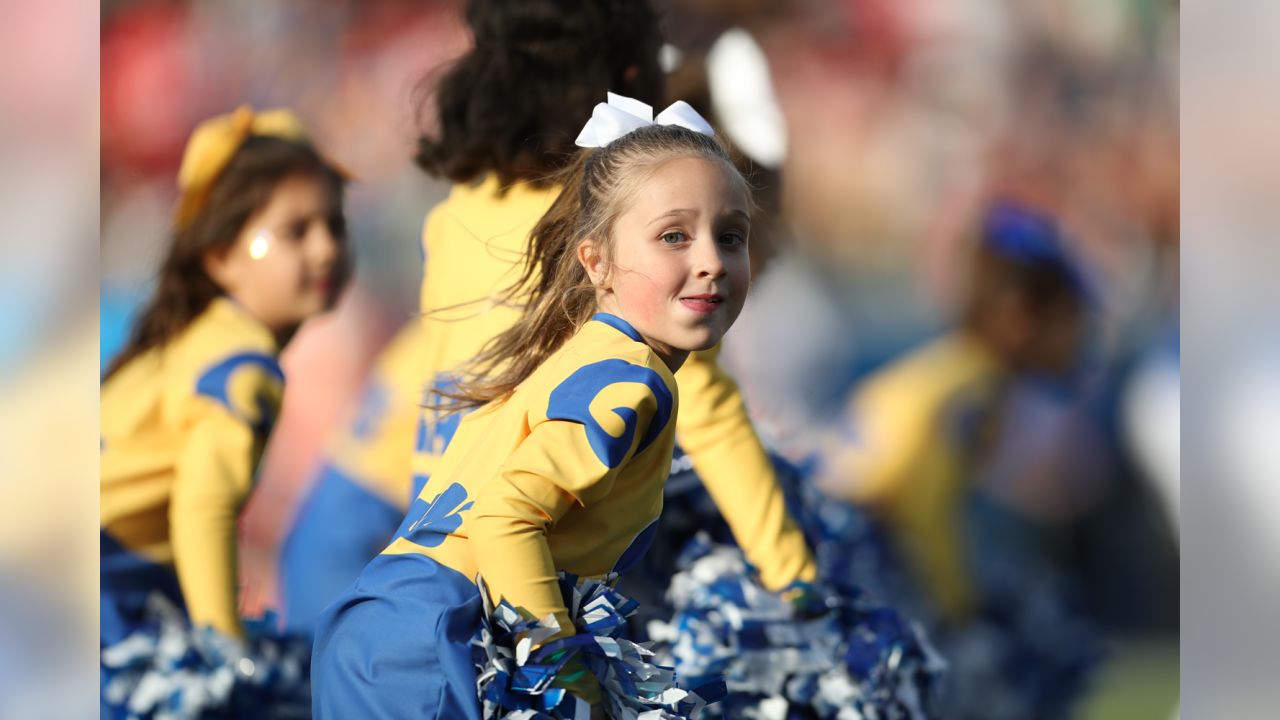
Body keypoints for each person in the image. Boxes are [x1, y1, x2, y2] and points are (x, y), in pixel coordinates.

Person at [281, 0, 815, 636]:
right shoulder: (611, 239)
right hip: (483, 577)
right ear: (633, 74)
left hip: (398, 564)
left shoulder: (461, 208)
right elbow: (710, 415)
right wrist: (801, 587)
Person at [312, 96, 778, 718]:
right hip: (431, 644)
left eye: (731, 236)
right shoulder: (628, 382)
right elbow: (505, 518)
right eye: (674, 236)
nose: (711, 262)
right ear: (597, 262)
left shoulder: (578, 352)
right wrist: (563, 671)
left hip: (383, 627)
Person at [100, 106, 350, 653]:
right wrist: (224, 650)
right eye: (295, 232)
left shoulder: (193, 336)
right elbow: (204, 506)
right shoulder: (242, 364)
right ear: (219, 256)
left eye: (335, 225)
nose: (327, 248)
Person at [818, 200, 1090, 623]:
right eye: (1066, 319)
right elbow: (922, 501)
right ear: (1015, 315)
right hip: (843, 541)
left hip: (841, 537)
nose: (1077, 338)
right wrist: (956, 604)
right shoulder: (974, 390)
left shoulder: (955, 370)